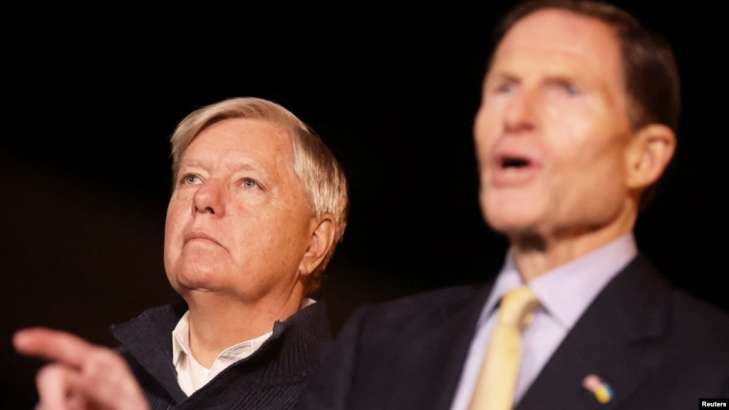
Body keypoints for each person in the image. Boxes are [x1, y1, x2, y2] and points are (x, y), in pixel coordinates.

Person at [298, 1, 729, 409]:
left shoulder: (714, 365)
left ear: (644, 157)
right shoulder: (375, 344)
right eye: (504, 87)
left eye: (567, 90)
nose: (516, 115)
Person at [14, 97, 349, 410]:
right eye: (191, 178)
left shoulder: (353, 393)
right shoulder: (100, 388)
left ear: (313, 243)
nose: (203, 198)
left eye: (248, 182)